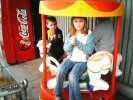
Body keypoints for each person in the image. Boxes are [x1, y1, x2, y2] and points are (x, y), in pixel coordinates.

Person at [54, 17, 95, 100]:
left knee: (73, 76)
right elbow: (66, 48)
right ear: (73, 23)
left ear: (85, 22)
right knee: (60, 69)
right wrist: (71, 44)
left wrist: (77, 43)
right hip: (71, 59)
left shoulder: (89, 34)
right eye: (75, 21)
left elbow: (89, 50)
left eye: (81, 21)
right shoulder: (70, 33)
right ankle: (58, 94)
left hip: (82, 61)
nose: (78, 23)